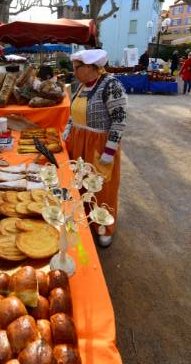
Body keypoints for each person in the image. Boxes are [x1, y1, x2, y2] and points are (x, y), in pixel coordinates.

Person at [63, 49, 127, 247]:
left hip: (99, 146)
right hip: (78, 143)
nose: (74, 72)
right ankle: (83, 221)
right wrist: (67, 132)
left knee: (102, 188)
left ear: (90, 67)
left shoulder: (111, 85)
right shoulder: (81, 86)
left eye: (77, 68)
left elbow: (119, 119)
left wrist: (109, 151)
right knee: (79, 185)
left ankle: (103, 226)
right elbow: (72, 115)